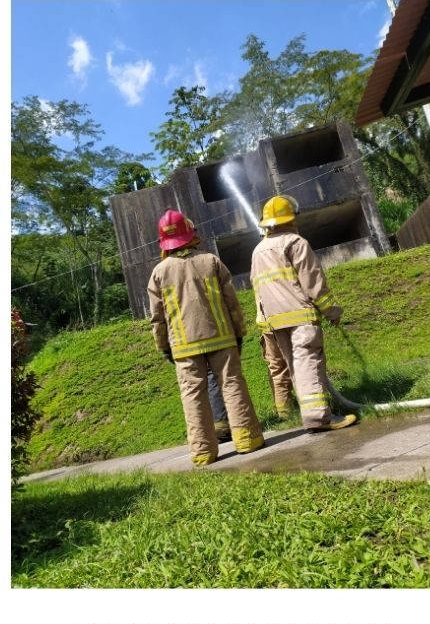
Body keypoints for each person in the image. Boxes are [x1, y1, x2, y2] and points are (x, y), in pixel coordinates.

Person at [147, 210, 264, 466]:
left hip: (183, 346)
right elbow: (232, 302)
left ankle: (203, 452)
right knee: (232, 385)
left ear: (164, 242)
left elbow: (157, 318)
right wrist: (239, 333)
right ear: (190, 234)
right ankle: (248, 439)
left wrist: (164, 347)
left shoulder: (159, 272)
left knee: (192, 396)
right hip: (221, 337)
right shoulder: (211, 261)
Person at [250, 195, 358, 432]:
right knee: (308, 363)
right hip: (299, 315)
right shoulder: (295, 242)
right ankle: (319, 418)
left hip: (274, 322)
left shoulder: (258, 251)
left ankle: (310, 415)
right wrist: (331, 311)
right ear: (291, 218)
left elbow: (257, 287)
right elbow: (313, 281)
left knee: (296, 368)